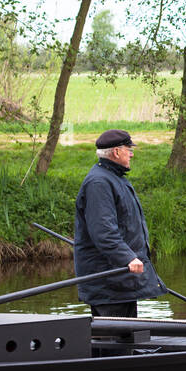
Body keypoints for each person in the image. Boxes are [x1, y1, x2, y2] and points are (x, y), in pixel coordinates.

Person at [73, 129, 167, 318]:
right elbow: (103, 231)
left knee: (128, 338)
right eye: (128, 149)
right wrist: (127, 257)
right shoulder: (99, 183)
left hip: (121, 280)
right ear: (116, 152)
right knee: (113, 343)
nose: (131, 154)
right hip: (108, 282)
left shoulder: (114, 178)